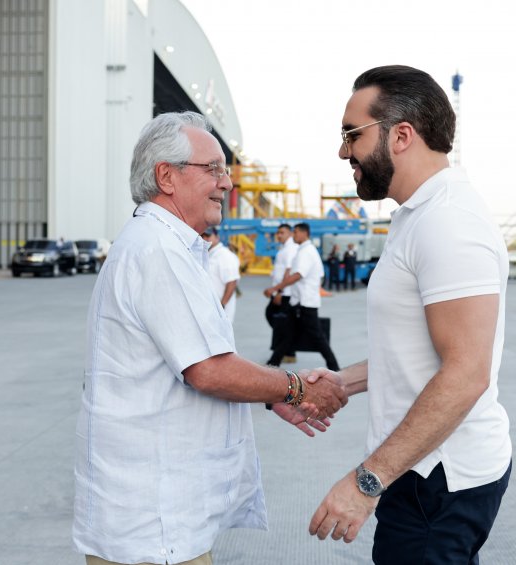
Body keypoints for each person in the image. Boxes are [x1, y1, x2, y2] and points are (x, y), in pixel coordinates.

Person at [72, 111, 347, 565]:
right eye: (214, 168)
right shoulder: (159, 249)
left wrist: (264, 393)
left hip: (153, 519)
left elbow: (201, 361)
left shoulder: (160, 244)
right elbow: (208, 370)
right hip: (154, 528)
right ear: (167, 176)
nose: (228, 183)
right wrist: (295, 388)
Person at [307, 65, 512, 564]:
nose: (342, 151)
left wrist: (365, 482)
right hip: (419, 471)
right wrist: (341, 382)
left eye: (351, 135)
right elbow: (421, 357)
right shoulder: (417, 216)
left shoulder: (448, 223)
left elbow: (465, 375)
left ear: (402, 135)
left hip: (436, 482)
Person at [264, 222, 340, 371]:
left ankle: (335, 368)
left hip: (306, 303)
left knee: (317, 337)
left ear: (305, 233)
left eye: (297, 231)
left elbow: (297, 275)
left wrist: (275, 288)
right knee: (288, 333)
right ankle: (273, 364)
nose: (294, 234)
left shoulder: (307, 252)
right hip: (298, 302)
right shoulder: (302, 250)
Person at [264, 223, 298, 364]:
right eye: (278, 232)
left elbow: (288, 271)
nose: (279, 235)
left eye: (282, 232)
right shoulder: (284, 248)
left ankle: (277, 358)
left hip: (285, 293)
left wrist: (279, 291)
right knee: (276, 318)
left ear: (290, 233)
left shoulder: (290, 249)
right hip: (281, 291)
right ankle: (289, 351)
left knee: (277, 319)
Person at [202, 227, 240, 323]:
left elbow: (232, 282)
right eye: (202, 236)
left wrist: (222, 306)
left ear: (217, 237)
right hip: (209, 309)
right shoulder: (209, 254)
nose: (205, 239)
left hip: (220, 311)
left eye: (208, 235)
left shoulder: (225, 256)